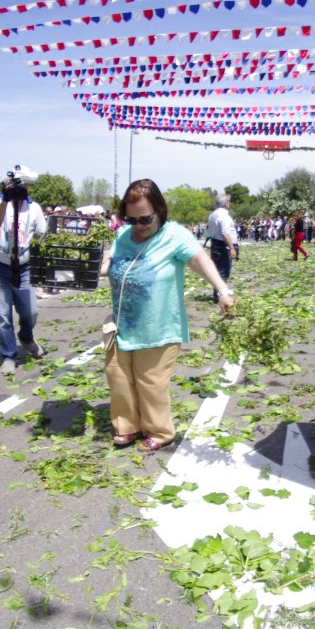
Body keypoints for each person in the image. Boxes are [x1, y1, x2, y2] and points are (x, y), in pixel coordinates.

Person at [101, 179, 234, 452]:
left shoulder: (174, 235)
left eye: (145, 218)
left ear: (159, 211)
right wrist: (96, 265)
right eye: (132, 219)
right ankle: (127, 426)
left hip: (158, 327)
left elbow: (199, 260)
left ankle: (160, 432)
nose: (138, 225)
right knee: (118, 377)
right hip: (121, 323)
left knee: (150, 384)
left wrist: (222, 290)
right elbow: (108, 264)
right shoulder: (122, 235)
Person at [0, 165, 47, 376]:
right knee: (3, 316)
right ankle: (8, 355)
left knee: (31, 311)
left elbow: (42, 234)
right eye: (21, 185)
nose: (24, 189)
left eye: (26, 186)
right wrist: (5, 198)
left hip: (23, 267)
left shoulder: (34, 208)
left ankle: (26, 337)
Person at [206, 194, 238, 304]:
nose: (229, 204)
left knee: (218, 271)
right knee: (223, 273)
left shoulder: (212, 215)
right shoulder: (224, 216)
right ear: (225, 203)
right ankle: (219, 296)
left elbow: (209, 231)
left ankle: (217, 295)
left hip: (215, 243)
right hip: (223, 246)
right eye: (228, 202)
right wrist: (232, 248)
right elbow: (225, 233)